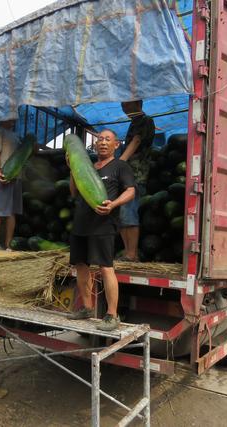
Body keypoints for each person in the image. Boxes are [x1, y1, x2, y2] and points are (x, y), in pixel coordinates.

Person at [67, 130, 135, 331]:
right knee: (81, 265)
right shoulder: (87, 166)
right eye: (99, 139)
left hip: (103, 225)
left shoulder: (120, 167)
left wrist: (113, 204)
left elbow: (130, 190)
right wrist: (72, 169)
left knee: (106, 267)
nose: (102, 143)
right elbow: (74, 192)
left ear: (116, 144)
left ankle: (112, 315)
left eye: (107, 139)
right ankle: (87, 307)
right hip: (81, 223)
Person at [118, 100, 155, 261]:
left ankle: (131, 254)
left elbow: (136, 141)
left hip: (136, 176)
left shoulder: (145, 121)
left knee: (128, 212)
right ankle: (128, 252)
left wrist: (119, 163)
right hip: (127, 175)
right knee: (122, 214)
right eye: (123, 105)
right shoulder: (133, 122)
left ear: (138, 103)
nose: (124, 108)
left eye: (127, 104)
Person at [0, 120, 23, 250]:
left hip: (16, 176)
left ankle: (9, 244)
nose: (14, 119)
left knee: (12, 212)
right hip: (4, 175)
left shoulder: (16, 135)